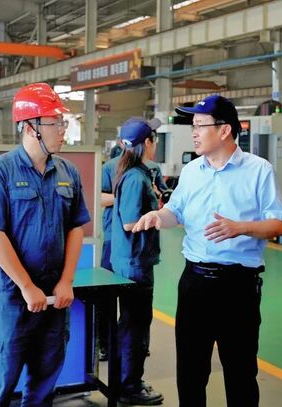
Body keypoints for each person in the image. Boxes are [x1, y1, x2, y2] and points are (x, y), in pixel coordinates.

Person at [132, 95, 282, 407]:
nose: (194, 133)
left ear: (225, 130)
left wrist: (240, 227)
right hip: (195, 283)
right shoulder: (192, 171)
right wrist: (158, 216)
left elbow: (278, 224)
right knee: (190, 372)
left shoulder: (259, 170)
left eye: (200, 126)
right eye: (194, 126)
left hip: (238, 287)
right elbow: (175, 212)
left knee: (240, 372)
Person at [0, 83, 90, 406]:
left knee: (44, 383)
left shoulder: (68, 172)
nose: (63, 130)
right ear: (31, 127)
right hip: (11, 297)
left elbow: (76, 227)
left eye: (63, 122)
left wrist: (66, 281)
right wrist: (25, 286)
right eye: (55, 122)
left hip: (53, 296)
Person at [110, 117, 164, 405]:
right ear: (146, 143)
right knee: (136, 325)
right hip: (135, 264)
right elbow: (130, 223)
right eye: (154, 139)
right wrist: (159, 216)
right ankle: (129, 386)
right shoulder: (134, 178)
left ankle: (126, 381)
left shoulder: (135, 172)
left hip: (132, 260)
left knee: (132, 323)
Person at [96, 143, 124, 362]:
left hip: (138, 245)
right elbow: (100, 197)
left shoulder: (151, 168)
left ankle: (134, 344)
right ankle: (105, 343)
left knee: (136, 300)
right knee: (106, 295)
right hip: (113, 238)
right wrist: (126, 195)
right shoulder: (110, 167)